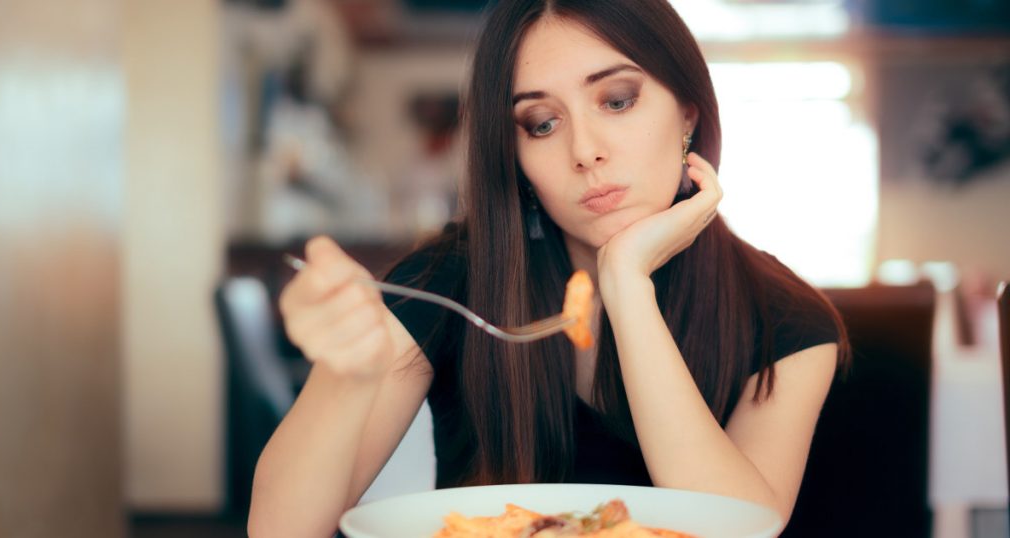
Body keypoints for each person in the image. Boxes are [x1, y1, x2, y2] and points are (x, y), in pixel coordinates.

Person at [247, 1, 850, 536]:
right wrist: (344, 374)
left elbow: (733, 529)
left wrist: (626, 284)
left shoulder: (788, 320)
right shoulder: (451, 279)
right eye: (542, 123)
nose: (584, 150)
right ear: (516, 156)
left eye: (617, 101)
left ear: (688, 115)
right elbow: (280, 530)